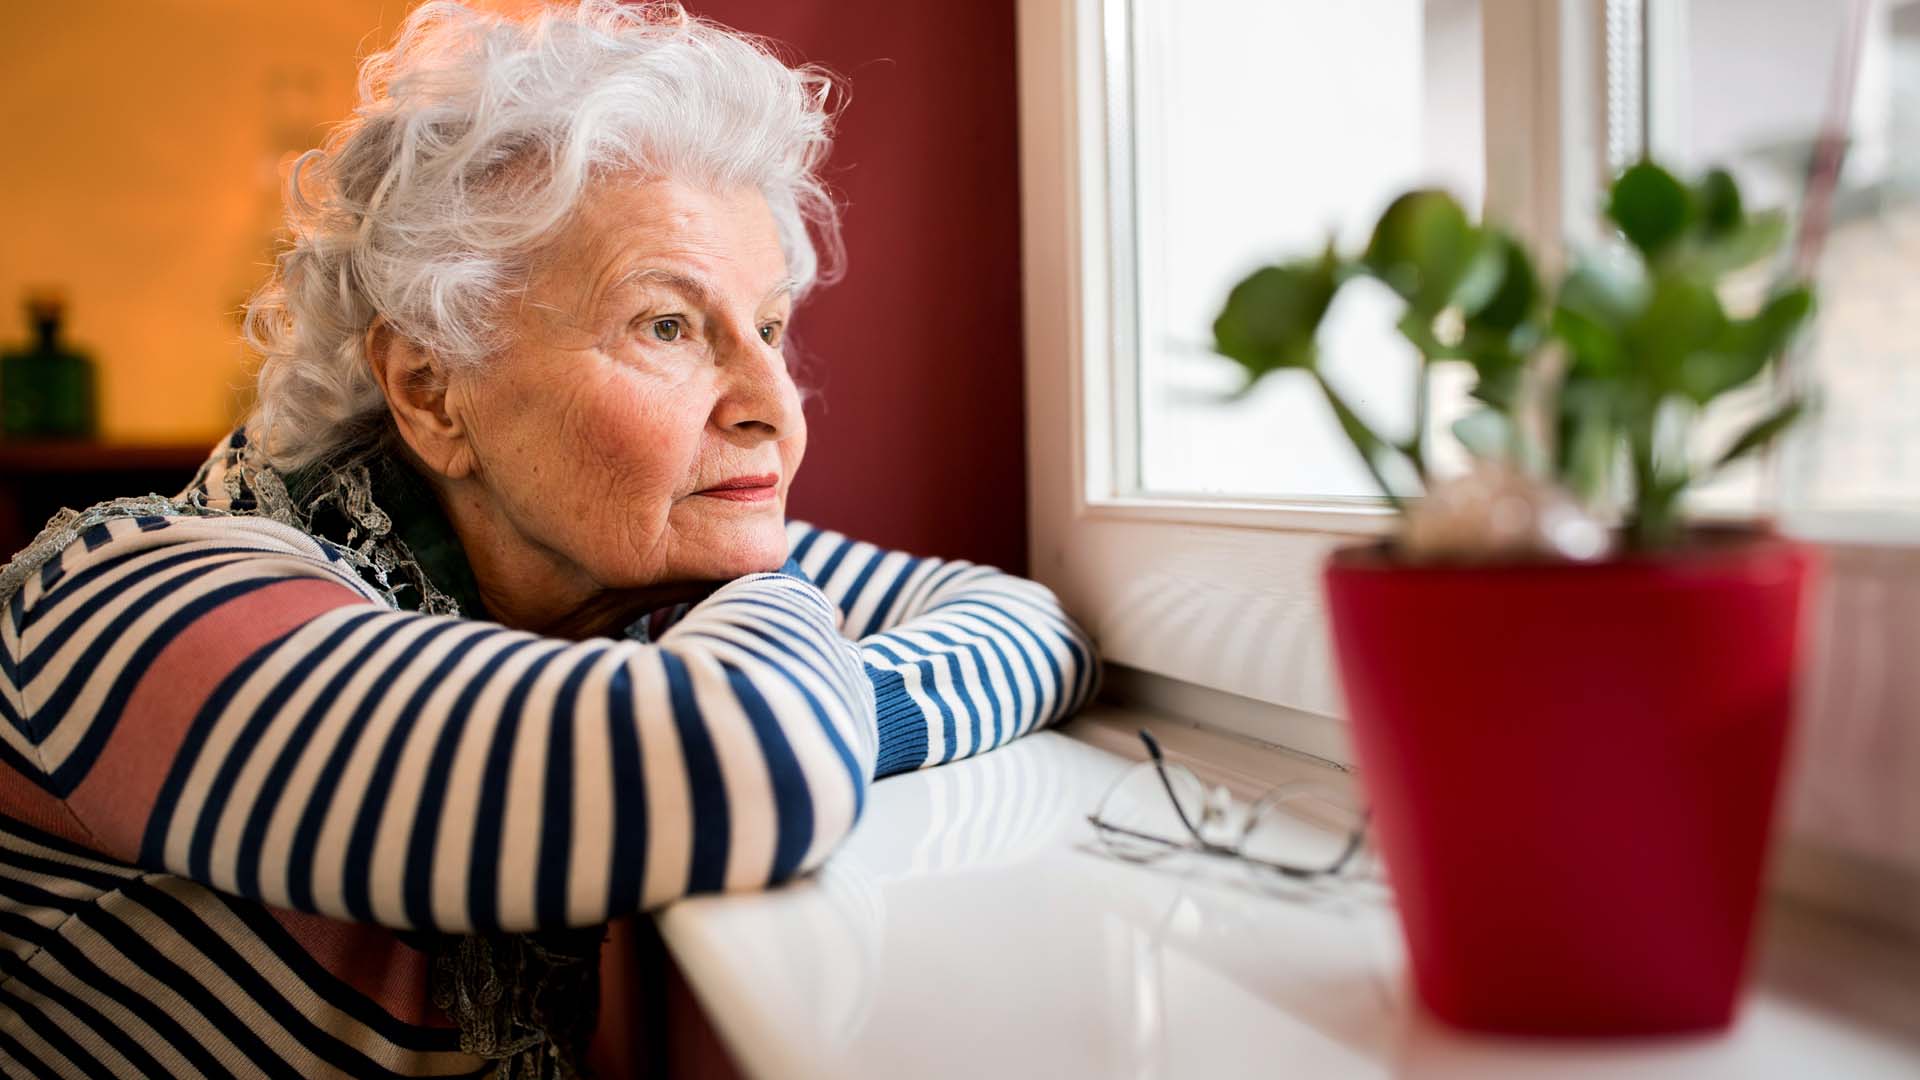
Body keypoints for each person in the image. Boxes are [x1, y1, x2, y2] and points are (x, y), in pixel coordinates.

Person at [0, 3, 1099, 1076]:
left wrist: (798, 665)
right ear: (433, 391)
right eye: (666, 325)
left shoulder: (615, 570)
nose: (779, 404)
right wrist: (775, 611)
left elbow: (1026, 623)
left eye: (766, 328)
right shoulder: (126, 607)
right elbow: (752, 762)